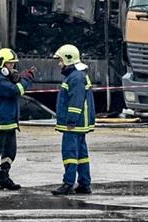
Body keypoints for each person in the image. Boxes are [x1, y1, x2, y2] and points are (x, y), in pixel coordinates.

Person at [51, 44, 95, 196]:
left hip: (74, 125)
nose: (59, 64)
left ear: (68, 59)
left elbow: (75, 102)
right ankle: (84, 183)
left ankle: (68, 183)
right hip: (80, 124)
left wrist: (71, 121)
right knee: (81, 155)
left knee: (69, 153)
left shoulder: (75, 77)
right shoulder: (78, 75)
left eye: (61, 60)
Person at [0, 48, 36, 191]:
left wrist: (19, 78)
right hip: (1, 122)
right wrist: (26, 79)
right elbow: (16, 90)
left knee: (10, 152)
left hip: (10, 123)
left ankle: (4, 176)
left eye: (13, 65)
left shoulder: (6, 78)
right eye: (9, 64)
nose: (12, 67)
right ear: (1, 64)